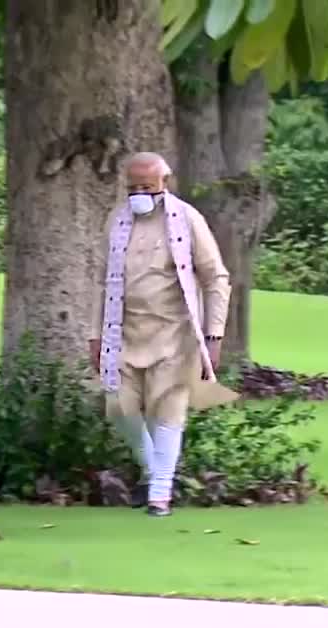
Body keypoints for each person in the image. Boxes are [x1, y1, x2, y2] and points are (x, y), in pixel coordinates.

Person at [88, 152, 231, 517]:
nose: (139, 193)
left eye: (146, 187)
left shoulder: (186, 218)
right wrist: (94, 335)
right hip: (125, 333)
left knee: (167, 410)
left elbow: (215, 278)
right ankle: (152, 470)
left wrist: (213, 336)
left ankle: (160, 496)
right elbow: (101, 282)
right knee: (119, 407)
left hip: (174, 335)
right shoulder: (117, 220)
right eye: (132, 187)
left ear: (163, 183)